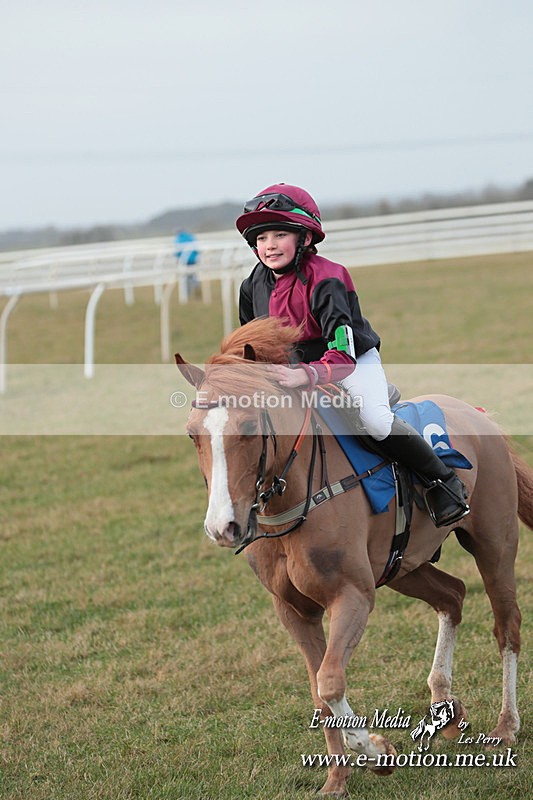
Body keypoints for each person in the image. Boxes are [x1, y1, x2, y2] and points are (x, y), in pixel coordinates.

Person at [236, 182, 469, 528]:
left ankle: (443, 481)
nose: (269, 246)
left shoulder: (328, 278)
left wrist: (307, 375)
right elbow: (251, 348)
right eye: (261, 238)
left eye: (279, 234)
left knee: (375, 421)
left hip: (350, 361)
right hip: (292, 370)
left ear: (305, 237)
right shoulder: (251, 285)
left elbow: (342, 353)